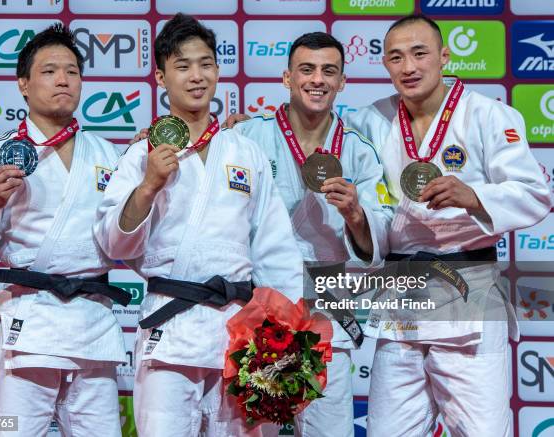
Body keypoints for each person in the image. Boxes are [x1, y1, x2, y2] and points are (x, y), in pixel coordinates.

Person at [93, 14, 305, 437]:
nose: (197, 76)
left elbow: (274, 248)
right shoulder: (141, 155)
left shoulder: (246, 152)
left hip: (239, 339)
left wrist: (285, 332)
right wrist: (150, 185)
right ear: (160, 76)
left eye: (206, 64)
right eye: (183, 65)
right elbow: (113, 242)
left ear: (218, 70)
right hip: (171, 334)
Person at [344, 14, 551, 437]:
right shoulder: (369, 121)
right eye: (396, 58)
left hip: (468, 292)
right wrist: (251, 131)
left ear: (444, 56)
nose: (409, 67)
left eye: (420, 54)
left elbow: (537, 194)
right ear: (384, 64)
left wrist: (474, 196)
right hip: (402, 298)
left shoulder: (490, 115)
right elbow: (322, 145)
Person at [0, 24, 128, 436]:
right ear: (23, 85)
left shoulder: (109, 155)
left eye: (72, 71)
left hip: (92, 323)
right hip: (30, 325)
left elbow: (127, 234)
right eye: (49, 71)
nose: (63, 79)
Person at [230, 32, 392, 437]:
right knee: (256, 428)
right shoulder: (248, 138)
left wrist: (356, 213)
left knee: (328, 431)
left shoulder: (358, 151)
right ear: (287, 78)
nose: (317, 79)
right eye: (307, 69)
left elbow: (381, 238)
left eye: (328, 71)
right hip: (263, 313)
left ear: (342, 82)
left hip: (327, 316)